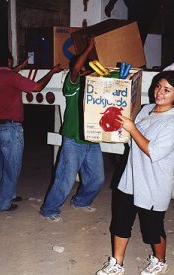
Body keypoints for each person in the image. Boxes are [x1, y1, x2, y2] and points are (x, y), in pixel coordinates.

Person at [96, 70, 174, 275]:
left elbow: (152, 150)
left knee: (152, 229)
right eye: (158, 86)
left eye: (167, 90)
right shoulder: (146, 109)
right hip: (131, 178)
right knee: (120, 222)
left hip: (154, 184)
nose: (159, 93)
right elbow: (131, 139)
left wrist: (132, 127)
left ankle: (160, 261)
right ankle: (117, 264)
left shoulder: (173, 123)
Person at [40, 36, 105, 222]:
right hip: (73, 139)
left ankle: (81, 202)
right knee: (65, 179)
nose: (85, 69)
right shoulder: (72, 84)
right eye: (83, 67)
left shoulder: (93, 86)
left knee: (97, 178)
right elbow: (76, 68)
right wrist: (90, 46)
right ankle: (49, 209)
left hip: (91, 139)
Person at [0, 48, 63, 212]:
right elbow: (37, 87)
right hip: (11, 128)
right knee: (12, 167)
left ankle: (9, 194)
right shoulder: (11, 77)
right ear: (9, 61)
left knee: (3, 165)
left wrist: (21, 66)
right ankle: (1, 204)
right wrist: (52, 72)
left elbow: (10, 76)